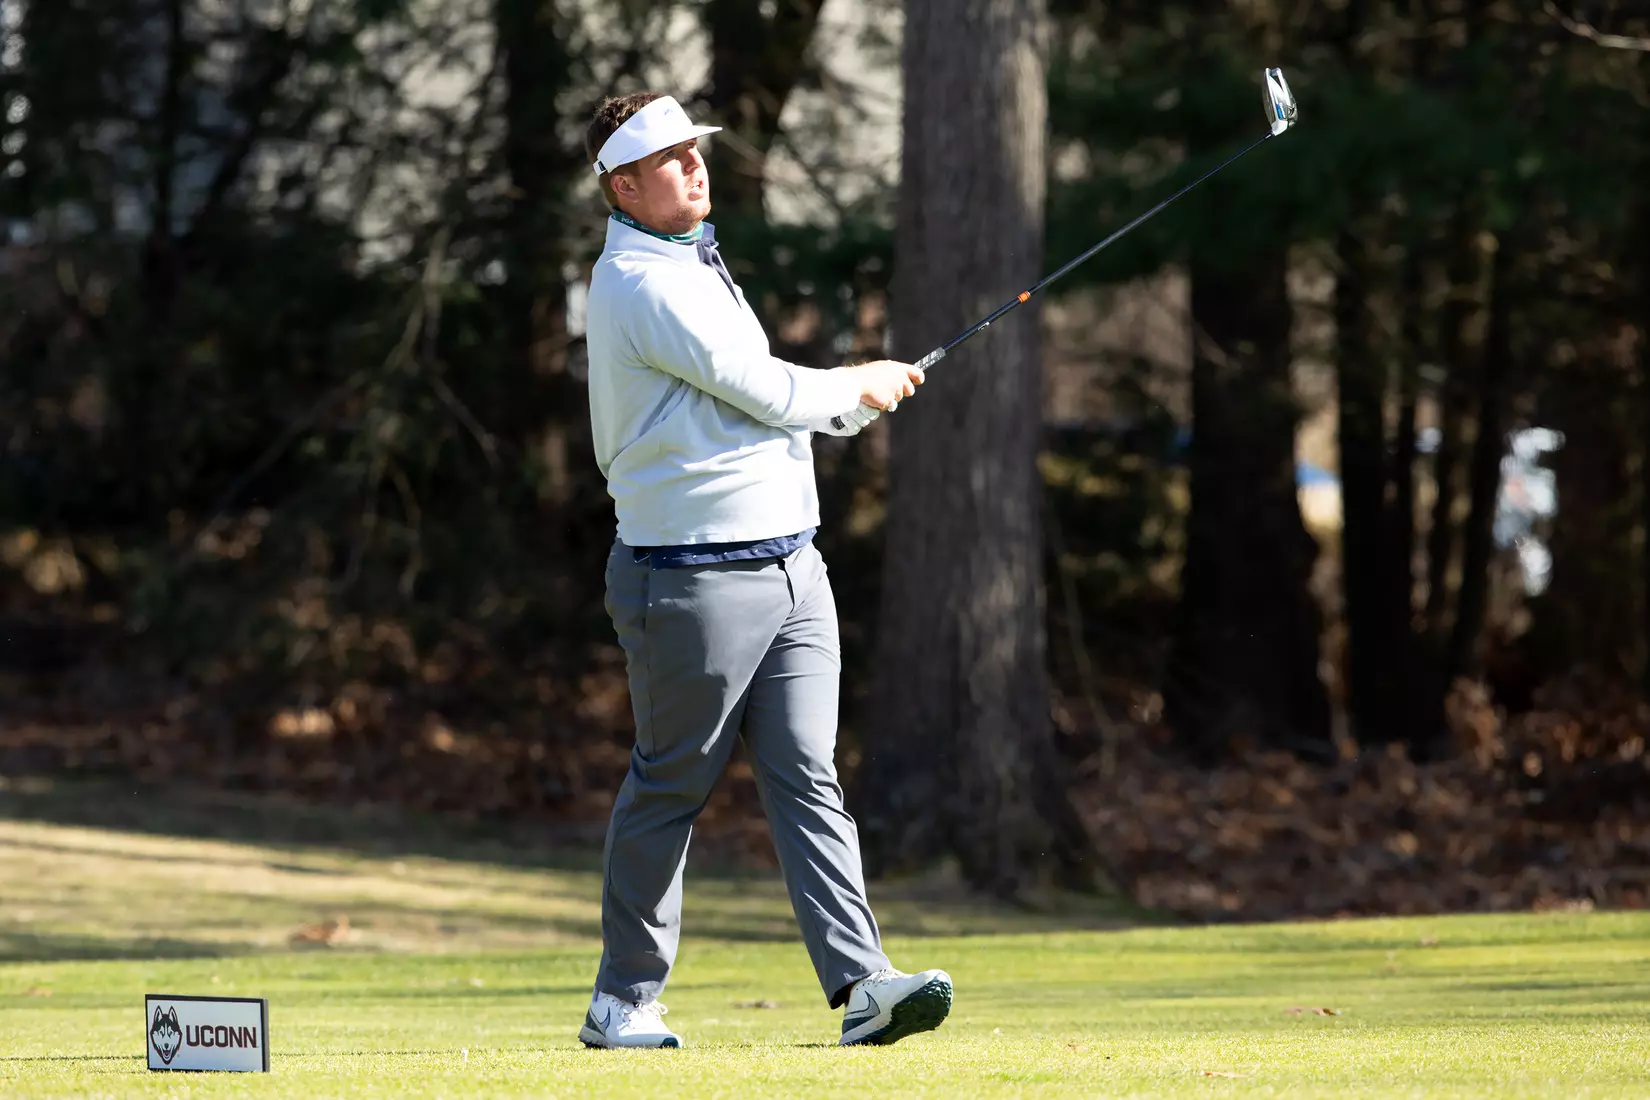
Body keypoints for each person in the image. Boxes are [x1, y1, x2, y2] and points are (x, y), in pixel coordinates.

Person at [576, 91, 952, 1050]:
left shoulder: (692, 261)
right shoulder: (639, 283)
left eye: (696, 152)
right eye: (672, 159)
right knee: (671, 785)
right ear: (623, 185)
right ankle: (623, 999)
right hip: (688, 580)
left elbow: (753, 406)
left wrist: (844, 403)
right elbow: (762, 388)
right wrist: (852, 387)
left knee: (809, 778)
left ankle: (863, 987)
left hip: (792, 566)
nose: (696, 166)